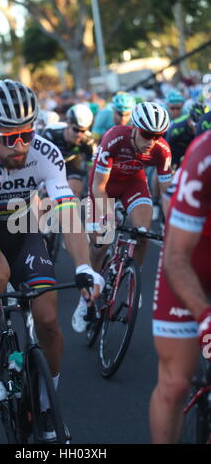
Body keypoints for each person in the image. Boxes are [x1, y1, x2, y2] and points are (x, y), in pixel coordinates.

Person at [0, 79, 103, 438]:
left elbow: (67, 215)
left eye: (27, 134)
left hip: (23, 229)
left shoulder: (45, 153)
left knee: (48, 321)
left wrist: (84, 267)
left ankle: (49, 407)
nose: (20, 146)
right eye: (8, 138)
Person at [72, 101, 172, 333]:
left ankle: (131, 282)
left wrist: (172, 224)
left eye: (158, 135)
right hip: (104, 186)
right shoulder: (115, 137)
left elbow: (168, 194)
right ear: (135, 128)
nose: (152, 141)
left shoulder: (162, 150)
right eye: (147, 134)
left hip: (133, 185)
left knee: (143, 233)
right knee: (100, 244)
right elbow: (98, 186)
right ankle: (84, 300)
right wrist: (107, 216)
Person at [150, 130, 211, 444]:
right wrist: (205, 317)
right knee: (175, 384)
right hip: (192, 255)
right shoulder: (204, 154)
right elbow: (175, 257)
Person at [42, 104, 94, 198]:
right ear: (68, 124)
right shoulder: (51, 133)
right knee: (48, 195)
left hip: (71, 161)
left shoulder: (87, 141)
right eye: (76, 129)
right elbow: (41, 162)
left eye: (83, 131)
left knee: (74, 192)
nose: (79, 134)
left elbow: (91, 168)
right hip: (50, 164)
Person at [165, 102, 207, 170]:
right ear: (189, 121)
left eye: (199, 126)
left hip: (189, 149)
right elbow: (166, 145)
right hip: (174, 150)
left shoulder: (205, 126)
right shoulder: (177, 128)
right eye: (195, 126)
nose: (197, 129)